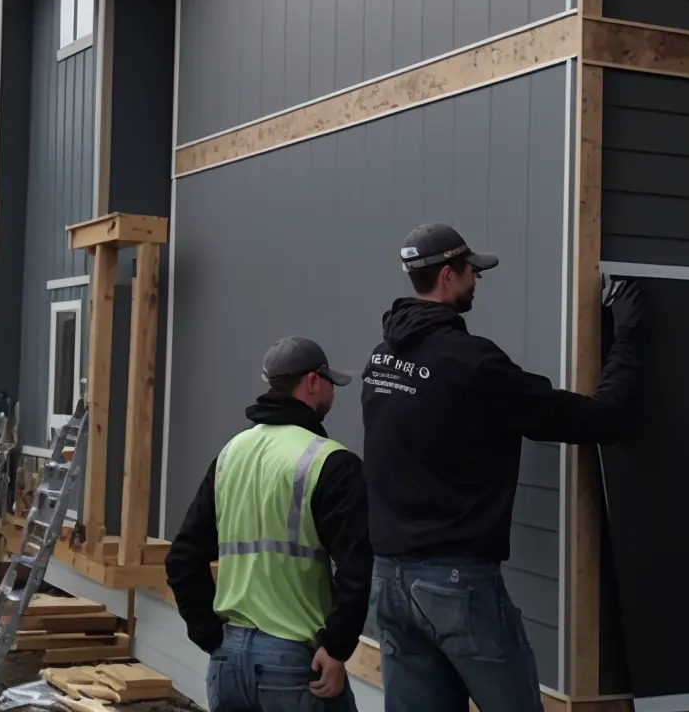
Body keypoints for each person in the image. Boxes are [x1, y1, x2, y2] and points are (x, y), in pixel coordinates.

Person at [360, 222, 647, 712]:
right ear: (448, 275)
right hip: (454, 583)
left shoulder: (382, 358)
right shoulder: (472, 363)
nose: (478, 279)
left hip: (389, 580)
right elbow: (603, 419)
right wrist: (629, 335)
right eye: (473, 270)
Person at [165, 335, 374, 712]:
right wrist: (338, 646)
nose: (333, 392)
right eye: (329, 382)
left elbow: (182, 557)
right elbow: (356, 570)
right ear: (312, 381)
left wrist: (209, 635)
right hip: (295, 664)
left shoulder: (230, 454)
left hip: (228, 660)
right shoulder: (331, 462)